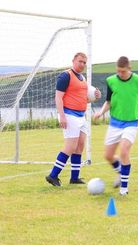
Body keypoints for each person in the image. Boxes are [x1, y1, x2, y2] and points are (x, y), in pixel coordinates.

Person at [94, 56, 138, 195]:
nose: (120, 74)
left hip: (131, 123)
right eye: (118, 71)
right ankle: (120, 171)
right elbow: (109, 101)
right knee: (108, 155)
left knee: (124, 151)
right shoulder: (111, 81)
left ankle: (124, 188)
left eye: (123, 71)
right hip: (115, 123)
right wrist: (100, 112)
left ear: (129, 69)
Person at [45, 52, 101, 186]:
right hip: (69, 115)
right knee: (70, 146)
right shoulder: (65, 76)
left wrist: (95, 96)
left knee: (80, 146)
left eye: (84, 62)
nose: (82, 64)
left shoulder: (82, 78)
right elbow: (58, 97)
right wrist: (62, 116)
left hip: (81, 116)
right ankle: (52, 176)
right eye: (80, 61)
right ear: (73, 61)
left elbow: (83, 99)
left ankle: (74, 178)